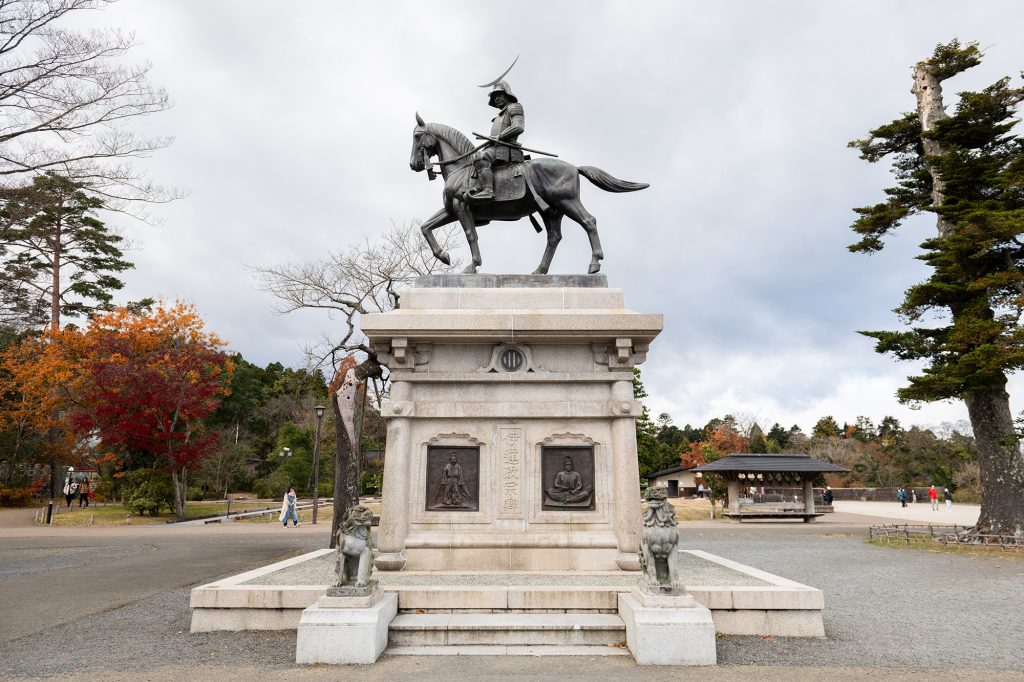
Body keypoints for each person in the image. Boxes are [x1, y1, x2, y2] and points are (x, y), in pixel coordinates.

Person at [467, 80, 525, 201]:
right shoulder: (498, 117)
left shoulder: (514, 107)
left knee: (482, 157)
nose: (496, 98)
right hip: (495, 147)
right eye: (494, 97)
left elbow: (518, 127)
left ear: (507, 94)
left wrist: (499, 136)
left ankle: (488, 190)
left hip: (506, 148)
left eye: (499, 95)